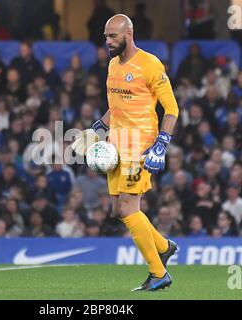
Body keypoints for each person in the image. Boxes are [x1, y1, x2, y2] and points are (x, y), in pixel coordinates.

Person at [72, 14, 179, 291]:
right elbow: (116, 108)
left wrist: (161, 144)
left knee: (129, 208)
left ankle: (159, 273)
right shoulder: (112, 66)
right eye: (106, 36)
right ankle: (164, 247)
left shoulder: (150, 64)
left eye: (112, 36)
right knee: (119, 210)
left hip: (140, 146)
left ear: (128, 34)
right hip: (115, 147)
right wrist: (96, 128)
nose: (107, 41)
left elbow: (172, 109)